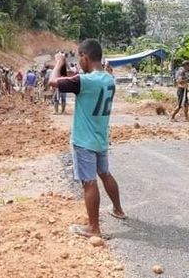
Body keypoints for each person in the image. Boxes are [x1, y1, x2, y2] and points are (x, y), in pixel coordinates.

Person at [49, 39, 125, 238]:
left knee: (89, 182)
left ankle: (94, 228)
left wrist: (58, 62)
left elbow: (53, 82)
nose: (78, 62)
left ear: (84, 56)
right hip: (100, 138)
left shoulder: (85, 82)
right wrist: (67, 68)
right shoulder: (108, 78)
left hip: (84, 141)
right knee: (105, 174)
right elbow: (74, 78)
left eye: (79, 57)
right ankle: (118, 210)